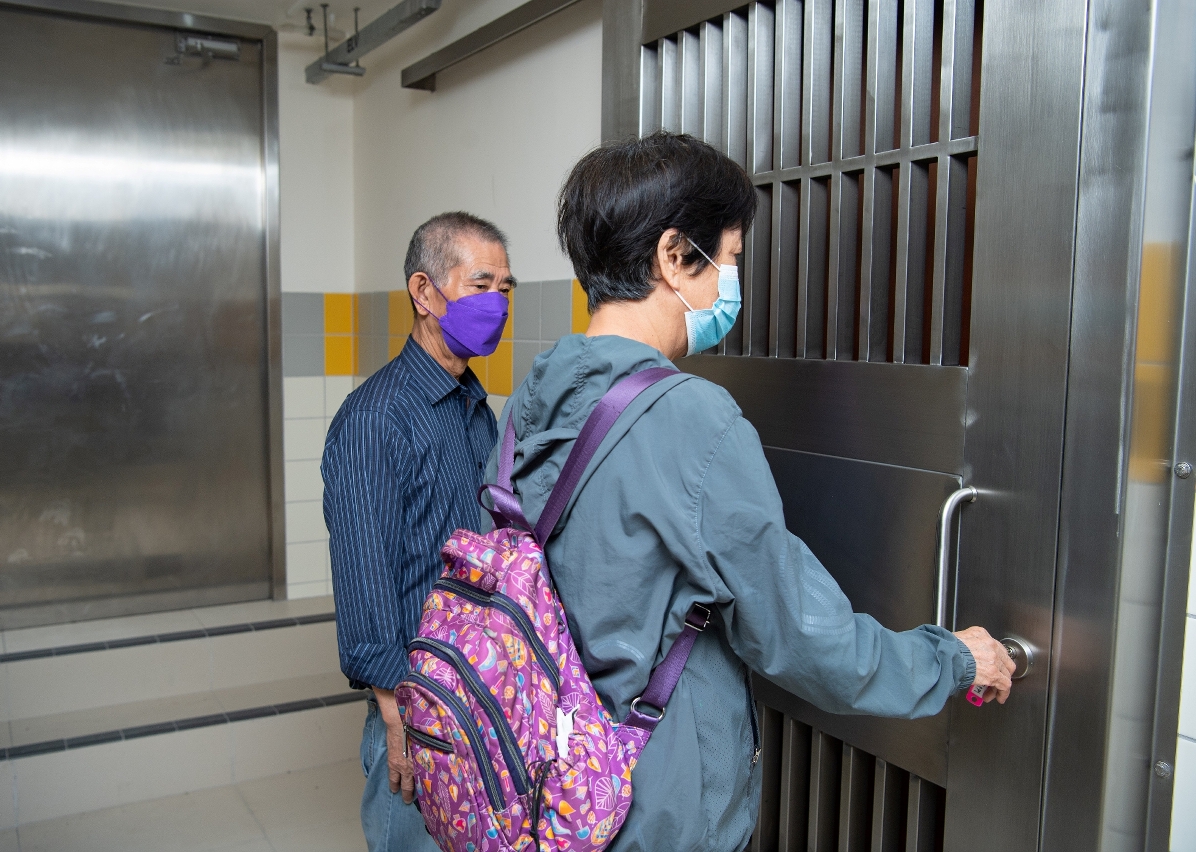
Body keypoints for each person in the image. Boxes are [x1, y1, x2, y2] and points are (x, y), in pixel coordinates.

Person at [486, 132, 1016, 852]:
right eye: (729, 258)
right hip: (653, 805)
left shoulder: (528, 402)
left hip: (544, 782)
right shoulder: (690, 416)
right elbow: (802, 637)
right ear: (674, 255)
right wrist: (953, 658)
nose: (731, 281)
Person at [323, 211, 516, 851]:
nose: (497, 304)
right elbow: (364, 570)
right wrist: (394, 707)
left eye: (505, 289)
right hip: (413, 708)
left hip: (478, 694)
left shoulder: (473, 408)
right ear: (424, 292)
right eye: (481, 285)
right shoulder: (376, 418)